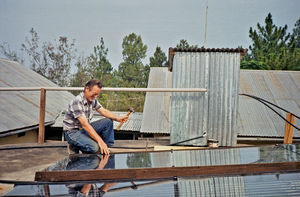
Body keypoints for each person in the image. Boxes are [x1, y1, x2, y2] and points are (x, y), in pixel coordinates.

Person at [63, 79, 128, 155]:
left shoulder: (92, 100)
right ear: (87, 89)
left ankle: (108, 148)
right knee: (95, 148)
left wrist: (118, 118)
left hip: (83, 130)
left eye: (97, 94)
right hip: (72, 133)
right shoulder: (77, 101)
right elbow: (85, 125)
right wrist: (100, 142)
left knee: (108, 121)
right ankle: (74, 145)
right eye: (94, 94)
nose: (96, 96)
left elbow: (103, 111)